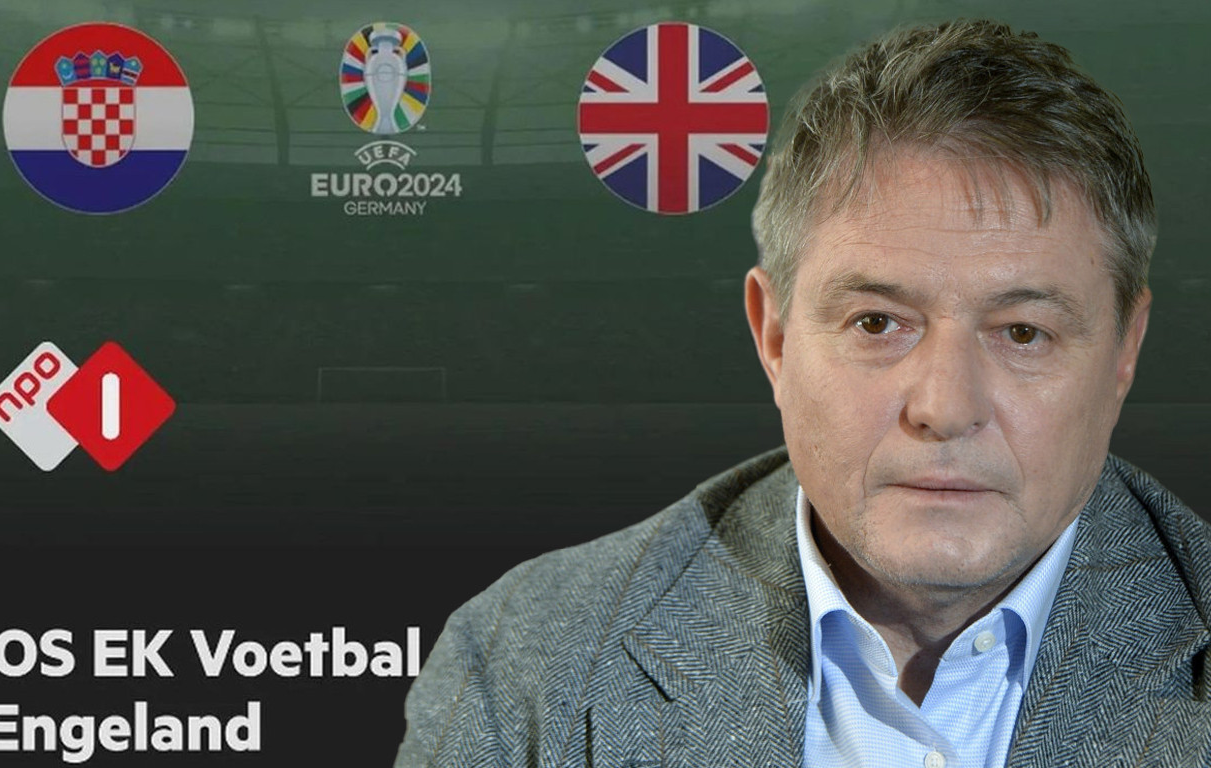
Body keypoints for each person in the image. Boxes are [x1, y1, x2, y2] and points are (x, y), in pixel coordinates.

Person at [395, 18, 1211, 768]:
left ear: (1124, 352)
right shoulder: (524, 661)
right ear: (775, 338)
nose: (944, 407)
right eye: (877, 323)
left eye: (1023, 333)